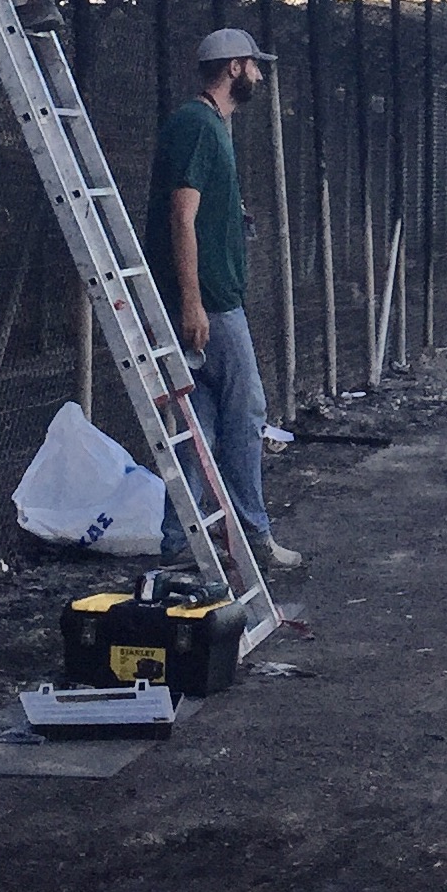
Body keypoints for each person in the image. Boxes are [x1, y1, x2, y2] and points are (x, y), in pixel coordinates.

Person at [146, 29, 301, 570]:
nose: (259, 75)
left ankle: (180, 543)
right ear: (234, 68)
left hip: (212, 297)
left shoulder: (210, 126)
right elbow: (181, 215)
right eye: (254, 66)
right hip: (209, 302)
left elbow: (201, 211)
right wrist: (192, 303)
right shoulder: (198, 126)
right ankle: (251, 533)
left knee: (199, 424)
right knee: (246, 409)